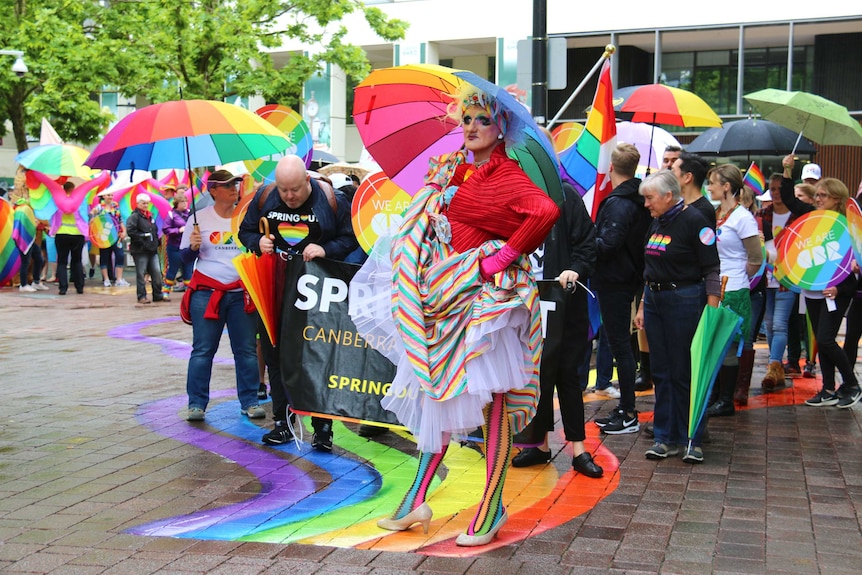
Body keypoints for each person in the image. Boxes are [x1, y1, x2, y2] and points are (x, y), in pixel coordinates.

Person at [351, 85, 559, 546]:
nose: (470, 127)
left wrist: (500, 258)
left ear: (501, 126)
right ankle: (415, 502)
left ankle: (493, 505)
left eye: (481, 120)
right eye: (465, 120)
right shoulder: (463, 171)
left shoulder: (506, 173)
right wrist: (441, 186)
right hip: (448, 296)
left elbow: (545, 211)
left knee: (495, 403)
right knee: (437, 395)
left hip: (487, 304)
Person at [238, 156, 359, 450]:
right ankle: (283, 422)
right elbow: (246, 231)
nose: (289, 197)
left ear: (308, 180)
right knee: (276, 355)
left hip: (316, 290)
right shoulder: (265, 197)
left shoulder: (332, 200)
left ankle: (322, 429)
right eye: (284, 190)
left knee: (317, 357)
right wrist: (257, 242)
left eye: (295, 189)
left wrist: (325, 248)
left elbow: (352, 238)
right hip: (275, 288)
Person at [510, 157, 603, 478]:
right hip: (525, 305)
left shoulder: (566, 197)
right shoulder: (512, 203)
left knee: (567, 374)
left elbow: (587, 246)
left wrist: (574, 270)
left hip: (564, 305)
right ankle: (541, 445)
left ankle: (578, 448)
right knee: (535, 378)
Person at [635, 170, 720, 464]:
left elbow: (711, 268)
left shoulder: (695, 221)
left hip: (685, 298)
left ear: (669, 196)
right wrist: (644, 304)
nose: (646, 204)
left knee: (685, 370)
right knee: (661, 370)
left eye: (650, 198)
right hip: (657, 299)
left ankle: (691, 438)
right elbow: (649, 268)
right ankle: (665, 437)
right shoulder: (656, 222)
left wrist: (711, 310)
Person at [180, 169, 266, 421]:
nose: (234, 188)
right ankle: (196, 404)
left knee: (246, 351)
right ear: (213, 190)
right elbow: (184, 257)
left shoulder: (247, 217)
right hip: (207, 294)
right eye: (227, 185)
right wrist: (193, 248)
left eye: (236, 184)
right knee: (203, 351)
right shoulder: (198, 219)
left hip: (241, 293)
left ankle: (250, 402)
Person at [779, 155, 860, 408]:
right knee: (820, 342)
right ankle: (827, 388)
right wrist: (787, 170)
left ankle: (852, 384)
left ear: (837, 198)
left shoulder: (848, 225)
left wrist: (840, 288)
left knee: (825, 339)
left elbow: (854, 267)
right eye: (817, 195)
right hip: (813, 290)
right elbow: (790, 200)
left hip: (836, 292)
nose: (818, 198)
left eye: (823, 195)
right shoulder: (813, 217)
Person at [591, 143, 651, 434]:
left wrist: (586, 243)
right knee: (621, 345)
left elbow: (610, 243)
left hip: (616, 280)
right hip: (628, 278)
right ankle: (626, 408)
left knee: (620, 347)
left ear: (611, 168)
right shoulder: (638, 199)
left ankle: (627, 411)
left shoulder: (619, 202)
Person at [703, 164, 761, 417]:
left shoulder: (743, 218)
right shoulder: (714, 213)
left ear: (727, 186)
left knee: (727, 345)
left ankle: (726, 399)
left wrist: (738, 277)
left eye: (713, 183)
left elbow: (755, 258)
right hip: (712, 286)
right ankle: (715, 394)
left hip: (734, 288)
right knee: (712, 343)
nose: (709, 188)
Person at [756, 174, 797, 392]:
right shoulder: (762, 215)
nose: (776, 193)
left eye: (780, 189)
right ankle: (777, 368)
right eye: (772, 189)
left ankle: (773, 367)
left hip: (787, 278)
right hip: (766, 278)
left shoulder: (798, 217)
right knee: (770, 324)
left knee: (780, 323)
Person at [126, 194, 164, 304]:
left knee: (156, 272)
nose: (145, 205)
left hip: (152, 249)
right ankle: (141, 296)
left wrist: (156, 242)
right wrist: (142, 240)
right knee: (141, 273)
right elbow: (131, 231)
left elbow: (154, 231)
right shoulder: (134, 217)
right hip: (140, 250)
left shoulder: (150, 216)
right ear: (138, 204)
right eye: (143, 203)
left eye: (147, 203)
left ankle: (158, 295)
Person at [54, 181, 87, 295]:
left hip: (62, 233)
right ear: (74, 189)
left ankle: (63, 288)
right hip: (77, 234)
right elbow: (84, 216)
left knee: (62, 261)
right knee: (77, 260)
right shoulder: (80, 201)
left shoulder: (58, 201)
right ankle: (79, 286)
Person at [90, 191, 128, 288]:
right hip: (104, 237)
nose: (110, 197)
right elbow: (92, 216)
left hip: (116, 236)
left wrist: (124, 231)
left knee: (120, 255)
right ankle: (106, 279)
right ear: (103, 196)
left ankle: (119, 279)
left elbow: (120, 220)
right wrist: (93, 219)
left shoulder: (115, 206)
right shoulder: (99, 207)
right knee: (104, 257)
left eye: (111, 195)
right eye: (108, 195)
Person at [671, 151, 716, 228]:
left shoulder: (703, 211)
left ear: (687, 177)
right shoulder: (676, 205)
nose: (670, 175)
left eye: (673, 171)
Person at [13, 199, 49, 292]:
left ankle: (36, 282)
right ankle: (23, 285)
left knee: (39, 259)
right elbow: (26, 224)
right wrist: (36, 225)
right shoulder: (24, 209)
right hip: (22, 239)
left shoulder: (26, 209)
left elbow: (31, 222)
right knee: (25, 262)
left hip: (29, 240)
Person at [163, 193, 193, 294]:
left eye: (186, 201)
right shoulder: (171, 215)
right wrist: (178, 230)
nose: (185, 204)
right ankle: (166, 291)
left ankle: (189, 293)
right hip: (175, 246)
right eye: (182, 202)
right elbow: (166, 229)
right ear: (177, 203)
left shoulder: (190, 213)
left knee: (188, 270)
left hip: (188, 246)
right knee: (173, 269)